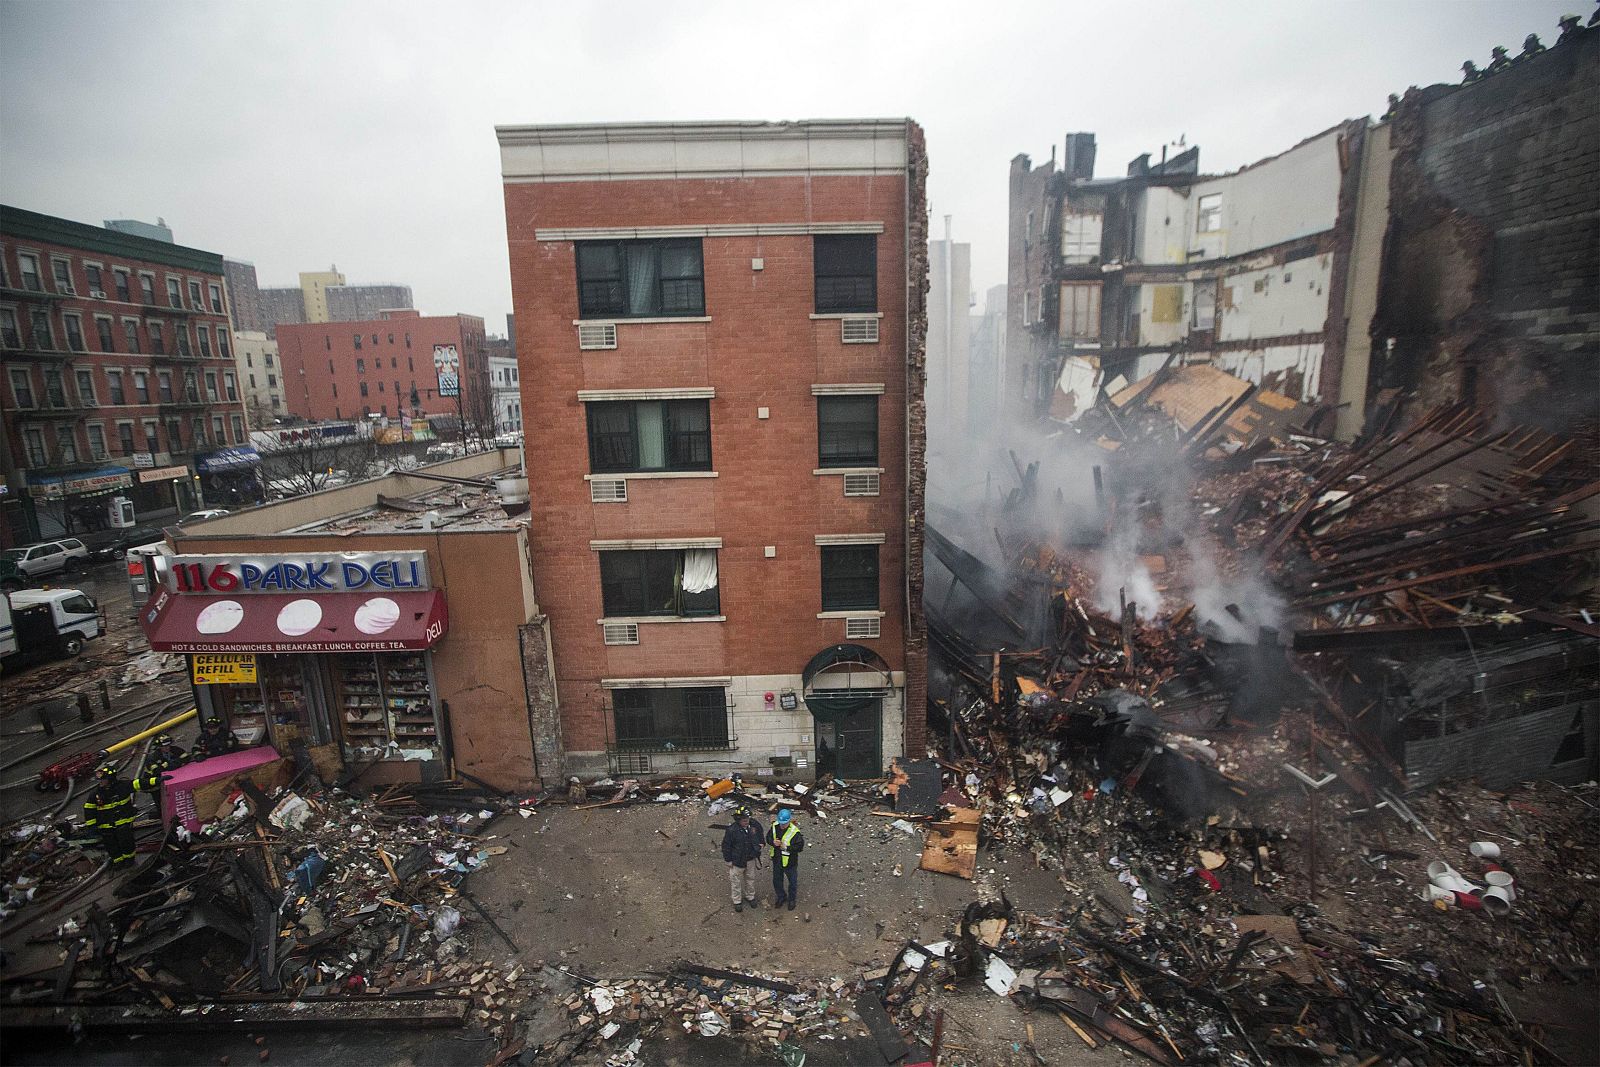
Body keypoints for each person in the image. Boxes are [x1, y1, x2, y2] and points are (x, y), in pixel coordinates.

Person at [83, 765, 136, 867]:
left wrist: (156, 780)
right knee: (111, 846)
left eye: (103, 779)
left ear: (111, 779)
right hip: (106, 827)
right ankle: (118, 861)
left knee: (126, 843)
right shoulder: (96, 794)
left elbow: (140, 783)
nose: (101, 782)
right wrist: (91, 826)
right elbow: (89, 809)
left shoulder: (123, 786)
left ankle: (129, 860)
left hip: (123, 823)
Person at [720, 805, 764, 913]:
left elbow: (761, 836)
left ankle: (750, 896)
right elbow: (726, 846)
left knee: (750, 879)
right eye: (744, 820)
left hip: (750, 859)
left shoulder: (754, 825)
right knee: (735, 881)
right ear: (738, 820)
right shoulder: (732, 830)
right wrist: (728, 860)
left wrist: (761, 844)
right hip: (737, 861)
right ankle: (737, 901)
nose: (746, 822)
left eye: (747, 819)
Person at [768, 808, 805, 911]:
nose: (782, 825)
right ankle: (781, 896)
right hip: (777, 860)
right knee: (777, 880)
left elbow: (799, 847)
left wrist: (787, 848)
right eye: (781, 823)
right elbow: (768, 837)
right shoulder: (775, 827)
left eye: (784, 823)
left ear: (789, 821)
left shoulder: (795, 833)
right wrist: (772, 842)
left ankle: (791, 899)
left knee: (792, 882)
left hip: (790, 862)